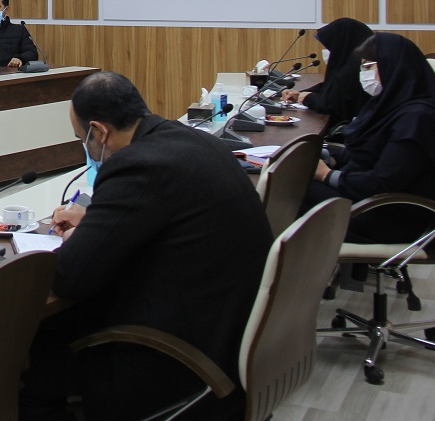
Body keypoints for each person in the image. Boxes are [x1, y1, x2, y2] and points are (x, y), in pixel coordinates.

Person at [21, 72, 271, 420]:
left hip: (184, 357)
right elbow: (160, 215)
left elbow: (69, 276)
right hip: (230, 333)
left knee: (36, 342)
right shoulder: (191, 140)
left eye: (82, 138)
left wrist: (78, 237)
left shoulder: (136, 165)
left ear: (99, 132)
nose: (85, 147)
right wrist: (95, 219)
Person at [304, 33, 435, 244]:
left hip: (387, 216)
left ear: (394, 67)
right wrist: (327, 156)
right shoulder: (390, 104)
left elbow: (382, 181)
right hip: (366, 198)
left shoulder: (418, 120)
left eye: (369, 66)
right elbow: (364, 151)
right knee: (295, 183)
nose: (364, 73)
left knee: (291, 192)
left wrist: (326, 175)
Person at [283, 17, 373, 132]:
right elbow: (330, 86)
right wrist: (299, 94)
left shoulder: (357, 70)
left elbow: (332, 105)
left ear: (342, 43)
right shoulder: (349, 62)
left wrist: (307, 98)